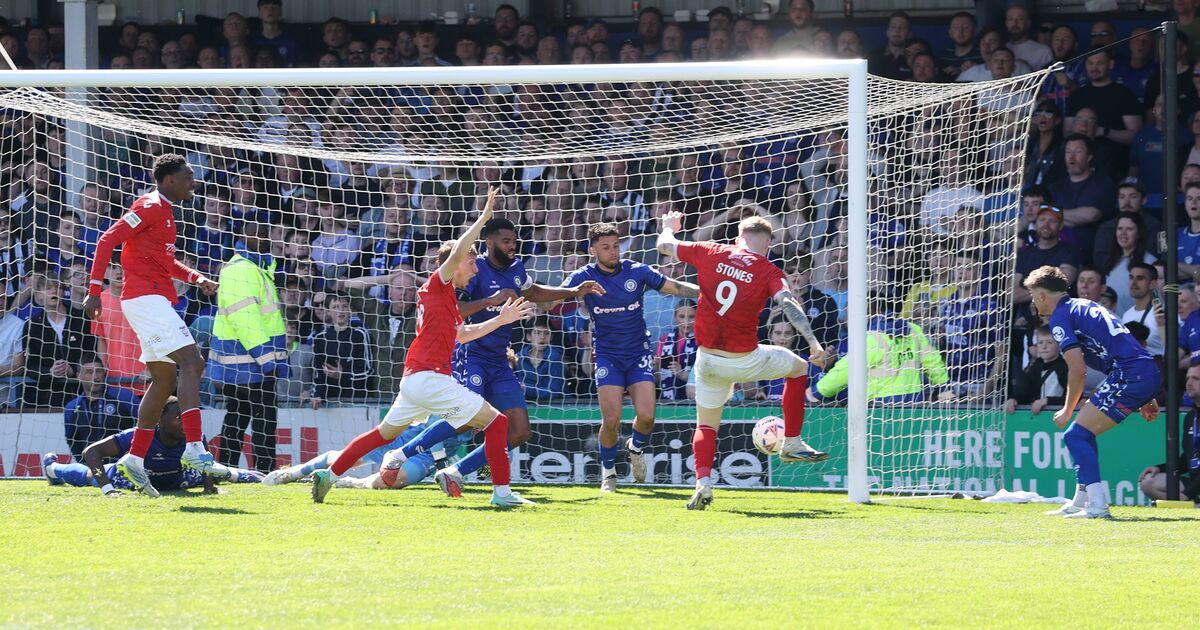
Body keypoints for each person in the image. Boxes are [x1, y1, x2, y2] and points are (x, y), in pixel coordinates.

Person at [310, 188, 537, 508]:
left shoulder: (448, 300)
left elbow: (462, 335)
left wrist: (501, 320)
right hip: (430, 378)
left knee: (382, 434)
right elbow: (457, 251)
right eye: (472, 263)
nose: (475, 269)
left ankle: (329, 475)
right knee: (499, 423)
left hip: (415, 380)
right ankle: (500, 494)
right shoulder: (438, 282)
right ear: (456, 263)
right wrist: (484, 217)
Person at [394, 217, 604, 498]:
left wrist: (572, 291)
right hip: (471, 355)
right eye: (506, 241)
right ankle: (403, 453)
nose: (512, 246)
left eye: (514, 241)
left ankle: (455, 472)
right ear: (489, 242)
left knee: (519, 431)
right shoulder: (472, 268)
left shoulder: (516, 268)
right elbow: (452, 310)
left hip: (500, 360)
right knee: (466, 419)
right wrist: (489, 300)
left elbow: (532, 292)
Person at [657, 210, 831, 510]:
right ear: (768, 245)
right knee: (799, 367)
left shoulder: (711, 251)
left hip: (707, 360)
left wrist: (669, 226)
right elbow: (788, 303)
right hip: (745, 360)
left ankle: (703, 484)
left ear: (738, 237)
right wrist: (813, 342)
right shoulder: (769, 271)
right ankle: (791, 442)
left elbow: (663, 245)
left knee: (706, 424)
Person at [563, 222, 699, 492]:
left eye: (616, 246)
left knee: (647, 417)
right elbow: (555, 298)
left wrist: (705, 291)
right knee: (611, 421)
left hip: (638, 353)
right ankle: (609, 473)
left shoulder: (636, 270)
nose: (613, 252)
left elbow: (674, 286)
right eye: (606, 247)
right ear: (593, 250)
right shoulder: (583, 276)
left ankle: (635, 447)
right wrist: (531, 295)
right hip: (607, 357)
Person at [1026, 266, 1160, 519]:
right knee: (1081, 435)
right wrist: (1147, 394)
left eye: (1033, 296)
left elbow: (1078, 370)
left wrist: (1067, 410)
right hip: (1142, 372)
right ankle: (1082, 500)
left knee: (1075, 435)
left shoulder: (1060, 317)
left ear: (1042, 295)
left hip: (1129, 375)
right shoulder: (1085, 305)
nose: (1033, 302)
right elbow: (1122, 347)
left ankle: (1098, 506)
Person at [43, 396, 261, 496]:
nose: (185, 423)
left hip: (177, 479)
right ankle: (53, 469)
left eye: (186, 417)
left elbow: (206, 463)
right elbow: (91, 452)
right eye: (178, 417)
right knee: (89, 476)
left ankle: (267, 478)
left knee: (224, 473)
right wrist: (108, 490)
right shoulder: (138, 435)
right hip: (128, 480)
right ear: (159, 419)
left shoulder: (193, 435)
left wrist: (208, 488)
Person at [209, 220, 288, 473]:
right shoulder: (242, 269)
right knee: (262, 421)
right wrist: (266, 358)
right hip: (251, 362)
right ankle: (263, 472)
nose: (266, 238)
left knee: (238, 417)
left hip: (244, 362)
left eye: (267, 232)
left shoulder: (255, 268)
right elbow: (245, 319)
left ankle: (229, 469)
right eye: (260, 233)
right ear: (244, 237)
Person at [263, 418, 470, 491]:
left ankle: (354, 483)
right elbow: (434, 429)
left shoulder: (485, 405)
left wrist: (483, 473)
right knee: (343, 459)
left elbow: (483, 450)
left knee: (393, 480)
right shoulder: (456, 390)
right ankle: (293, 472)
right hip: (404, 440)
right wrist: (443, 466)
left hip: (425, 457)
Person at [1138, 363, 1200, 502]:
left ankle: (1191, 504)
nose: (1189, 383)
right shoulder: (1191, 417)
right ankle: (1194, 505)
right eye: (1188, 378)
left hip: (1194, 488)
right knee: (1149, 482)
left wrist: (1187, 494)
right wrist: (1159, 468)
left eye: (1196, 378)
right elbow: (1187, 460)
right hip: (1195, 485)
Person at [63, 357, 140, 458]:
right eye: (89, 372)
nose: (95, 377)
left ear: (104, 373)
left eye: (98, 371)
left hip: (124, 463)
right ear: (78, 376)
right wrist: (83, 462)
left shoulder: (124, 397)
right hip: (92, 465)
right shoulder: (71, 407)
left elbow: (142, 428)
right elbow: (72, 439)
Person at [1005, 325, 1067, 415]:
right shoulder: (1035, 367)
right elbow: (1025, 392)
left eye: (1049, 342)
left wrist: (1048, 401)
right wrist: (1013, 399)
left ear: (1059, 346)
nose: (1044, 346)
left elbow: (1072, 398)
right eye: (1040, 342)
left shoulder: (1065, 368)